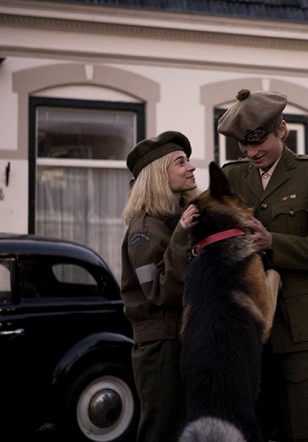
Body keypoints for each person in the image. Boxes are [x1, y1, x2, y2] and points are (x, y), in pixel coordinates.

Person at [218, 88, 308, 442]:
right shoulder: (231, 177)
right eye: (243, 145)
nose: (251, 152)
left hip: (300, 326)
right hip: (248, 325)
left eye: (258, 142)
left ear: (282, 130)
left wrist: (273, 242)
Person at [120, 131, 200, 442]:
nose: (191, 167)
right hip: (161, 347)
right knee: (162, 430)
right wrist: (181, 236)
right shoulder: (143, 230)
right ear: (157, 176)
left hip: (184, 338)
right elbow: (161, 292)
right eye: (181, 162)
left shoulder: (178, 218)